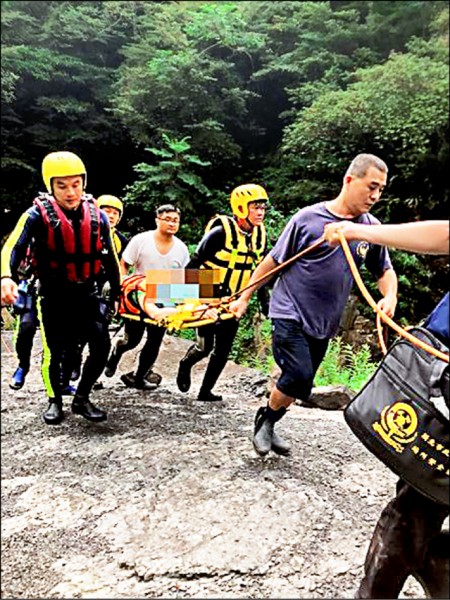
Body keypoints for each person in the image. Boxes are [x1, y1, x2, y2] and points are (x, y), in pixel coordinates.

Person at [230, 154, 398, 456]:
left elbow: (384, 271)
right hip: (288, 310)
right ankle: (267, 422)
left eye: (381, 190)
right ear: (349, 180)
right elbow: (272, 262)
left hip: (325, 322)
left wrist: (390, 296)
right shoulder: (307, 218)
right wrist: (243, 297)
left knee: (300, 385)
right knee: (298, 376)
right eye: (371, 186)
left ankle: (267, 418)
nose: (375, 196)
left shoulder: (370, 228)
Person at [325, 218, 449, 599]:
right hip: (442, 371)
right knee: (422, 498)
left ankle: (434, 564)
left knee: (424, 502)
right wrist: (360, 232)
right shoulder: (302, 222)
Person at [1, 151, 121, 425]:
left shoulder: (98, 217)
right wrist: (5, 276)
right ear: (51, 186)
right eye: (62, 186)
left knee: (101, 344)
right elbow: (13, 246)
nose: (70, 192)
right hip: (54, 294)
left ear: (84, 183)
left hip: (86, 293)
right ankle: (55, 400)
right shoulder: (36, 215)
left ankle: (81, 398)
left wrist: (116, 291)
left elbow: (110, 258)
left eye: (76, 184)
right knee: (55, 351)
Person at [176, 183, 268, 402]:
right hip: (208, 295)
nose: (260, 212)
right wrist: (190, 300)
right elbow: (192, 265)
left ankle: (205, 391)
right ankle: (184, 364)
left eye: (263, 208)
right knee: (205, 346)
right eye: (255, 207)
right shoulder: (220, 233)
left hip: (234, 301)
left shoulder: (260, 236)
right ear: (240, 208)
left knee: (223, 349)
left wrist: (265, 302)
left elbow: (260, 270)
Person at [104, 204, 189, 389]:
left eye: (175, 220)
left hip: (164, 298)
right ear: (157, 220)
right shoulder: (141, 240)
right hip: (138, 297)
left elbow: (182, 280)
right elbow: (124, 264)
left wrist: (183, 305)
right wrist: (123, 287)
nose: (172, 224)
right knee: (131, 340)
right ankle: (116, 354)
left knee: (155, 341)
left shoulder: (182, 249)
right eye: (167, 219)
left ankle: (140, 376)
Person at [69, 194, 129, 384]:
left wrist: (118, 294)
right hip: (82, 287)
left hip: (106, 292)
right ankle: (74, 363)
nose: (110, 216)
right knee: (78, 331)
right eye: (106, 211)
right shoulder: (80, 230)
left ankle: (90, 374)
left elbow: (122, 268)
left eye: (115, 213)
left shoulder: (121, 240)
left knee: (99, 334)